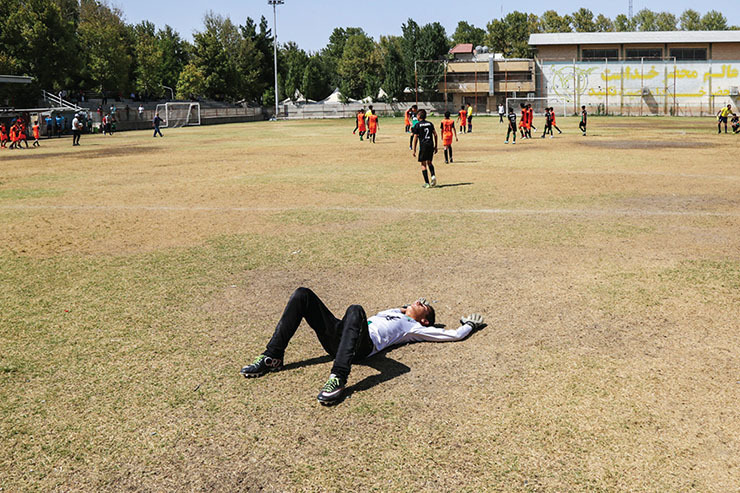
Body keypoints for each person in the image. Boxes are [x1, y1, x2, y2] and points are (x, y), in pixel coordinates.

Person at [240, 287, 485, 405]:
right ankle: (273, 356)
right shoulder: (394, 311)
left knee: (355, 310)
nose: (420, 300)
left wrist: (469, 326)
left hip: (361, 347)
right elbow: (402, 307)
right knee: (303, 295)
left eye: (425, 305)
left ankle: (338, 377)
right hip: (340, 338)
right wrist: (409, 305)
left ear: (424, 319)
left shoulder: (414, 327)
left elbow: (451, 335)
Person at [412, 109, 438, 188]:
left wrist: (414, 149)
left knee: (423, 164)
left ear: (419, 116)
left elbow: (415, 137)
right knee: (429, 162)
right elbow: (435, 134)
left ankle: (427, 183)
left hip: (423, 145)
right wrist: (436, 146)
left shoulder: (417, 125)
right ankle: (433, 175)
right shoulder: (430, 124)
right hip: (430, 144)